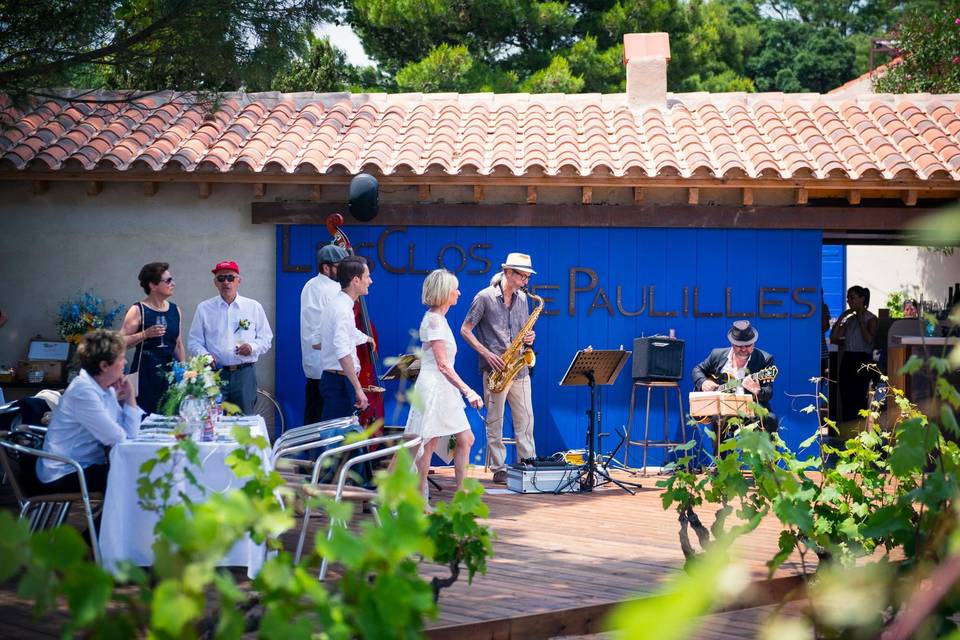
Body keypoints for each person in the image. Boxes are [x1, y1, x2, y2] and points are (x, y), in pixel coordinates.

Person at [405, 270, 484, 500]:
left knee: (465, 438)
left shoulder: (440, 319)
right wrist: (467, 390)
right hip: (434, 387)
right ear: (444, 293)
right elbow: (443, 365)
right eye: (455, 289)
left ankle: (462, 495)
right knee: (426, 444)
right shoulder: (433, 321)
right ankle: (419, 499)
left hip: (444, 387)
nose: (459, 293)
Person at [461, 252, 538, 484]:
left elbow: (523, 331)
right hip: (495, 369)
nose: (526, 281)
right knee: (495, 420)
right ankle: (499, 468)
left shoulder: (523, 299)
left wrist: (530, 337)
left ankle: (528, 463)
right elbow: (465, 330)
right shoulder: (483, 297)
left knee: (526, 419)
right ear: (508, 272)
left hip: (519, 368)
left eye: (527, 277)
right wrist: (486, 354)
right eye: (523, 276)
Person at [36, 330, 142, 494]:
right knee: (134, 478)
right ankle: (108, 521)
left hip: (85, 465)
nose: (125, 362)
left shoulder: (105, 387)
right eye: (121, 358)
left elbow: (130, 434)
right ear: (104, 366)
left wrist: (129, 396)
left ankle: (108, 520)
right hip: (64, 472)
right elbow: (117, 437)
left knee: (136, 474)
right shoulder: (83, 392)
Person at [187, 260, 273, 415]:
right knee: (213, 419)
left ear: (239, 281)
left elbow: (266, 338)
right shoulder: (204, 308)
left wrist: (252, 347)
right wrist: (205, 355)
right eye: (221, 278)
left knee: (244, 420)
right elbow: (194, 341)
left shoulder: (253, 307)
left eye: (230, 278)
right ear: (215, 283)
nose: (226, 282)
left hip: (244, 374)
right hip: (215, 374)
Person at [120, 262, 186, 414]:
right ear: (153, 285)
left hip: (169, 376)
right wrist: (144, 334)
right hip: (145, 374)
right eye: (168, 280)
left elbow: (178, 344)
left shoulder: (175, 310)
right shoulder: (138, 310)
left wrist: (184, 372)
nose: (173, 284)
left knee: (169, 418)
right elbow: (119, 343)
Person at [691, 320, 779, 433]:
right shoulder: (717, 355)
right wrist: (703, 382)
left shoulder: (765, 359)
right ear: (732, 343)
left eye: (748, 345)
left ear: (754, 343)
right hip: (723, 414)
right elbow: (697, 370)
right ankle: (719, 451)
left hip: (751, 413)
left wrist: (757, 390)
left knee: (771, 419)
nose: (743, 349)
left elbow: (769, 392)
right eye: (739, 346)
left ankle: (763, 450)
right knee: (719, 420)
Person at [317, 256, 375, 421]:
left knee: (340, 439)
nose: (370, 281)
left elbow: (344, 334)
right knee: (335, 440)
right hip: (340, 382)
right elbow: (342, 351)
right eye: (367, 277)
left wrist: (366, 338)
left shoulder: (338, 304)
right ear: (356, 280)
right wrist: (358, 388)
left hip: (336, 379)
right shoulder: (342, 309)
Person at [300, 243, 349, 425]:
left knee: (316, 416)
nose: (344, 272)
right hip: (326, 366)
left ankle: (313, 452)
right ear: (326, 267)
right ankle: (316, 453)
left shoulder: (313, 285)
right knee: (322, 420)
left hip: (320, 364)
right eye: (340, 267)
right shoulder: (328, 289)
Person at [830, 285, 878, 423]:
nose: (849, 301)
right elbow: (834, 337)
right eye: (848, 298)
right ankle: (847, 430)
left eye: (852, 297)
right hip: (848, 359)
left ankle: (860, 431)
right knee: (846, 396)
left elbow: (869, 340)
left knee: (860, 397)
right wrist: (842, 317)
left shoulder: (871, 319)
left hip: (862, 359)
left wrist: (861, 321)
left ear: (862, 299)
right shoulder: (850, 320)